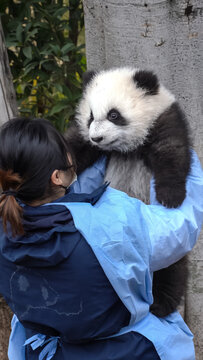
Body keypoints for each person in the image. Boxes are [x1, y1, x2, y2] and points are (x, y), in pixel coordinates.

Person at [0, 118, 203, 360]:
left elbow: (69, 204)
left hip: (49, 353)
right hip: (127, 351)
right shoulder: (114, 220)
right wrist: (180, 158)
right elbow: (178, 229)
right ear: (56, 177)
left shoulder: (6, 227)